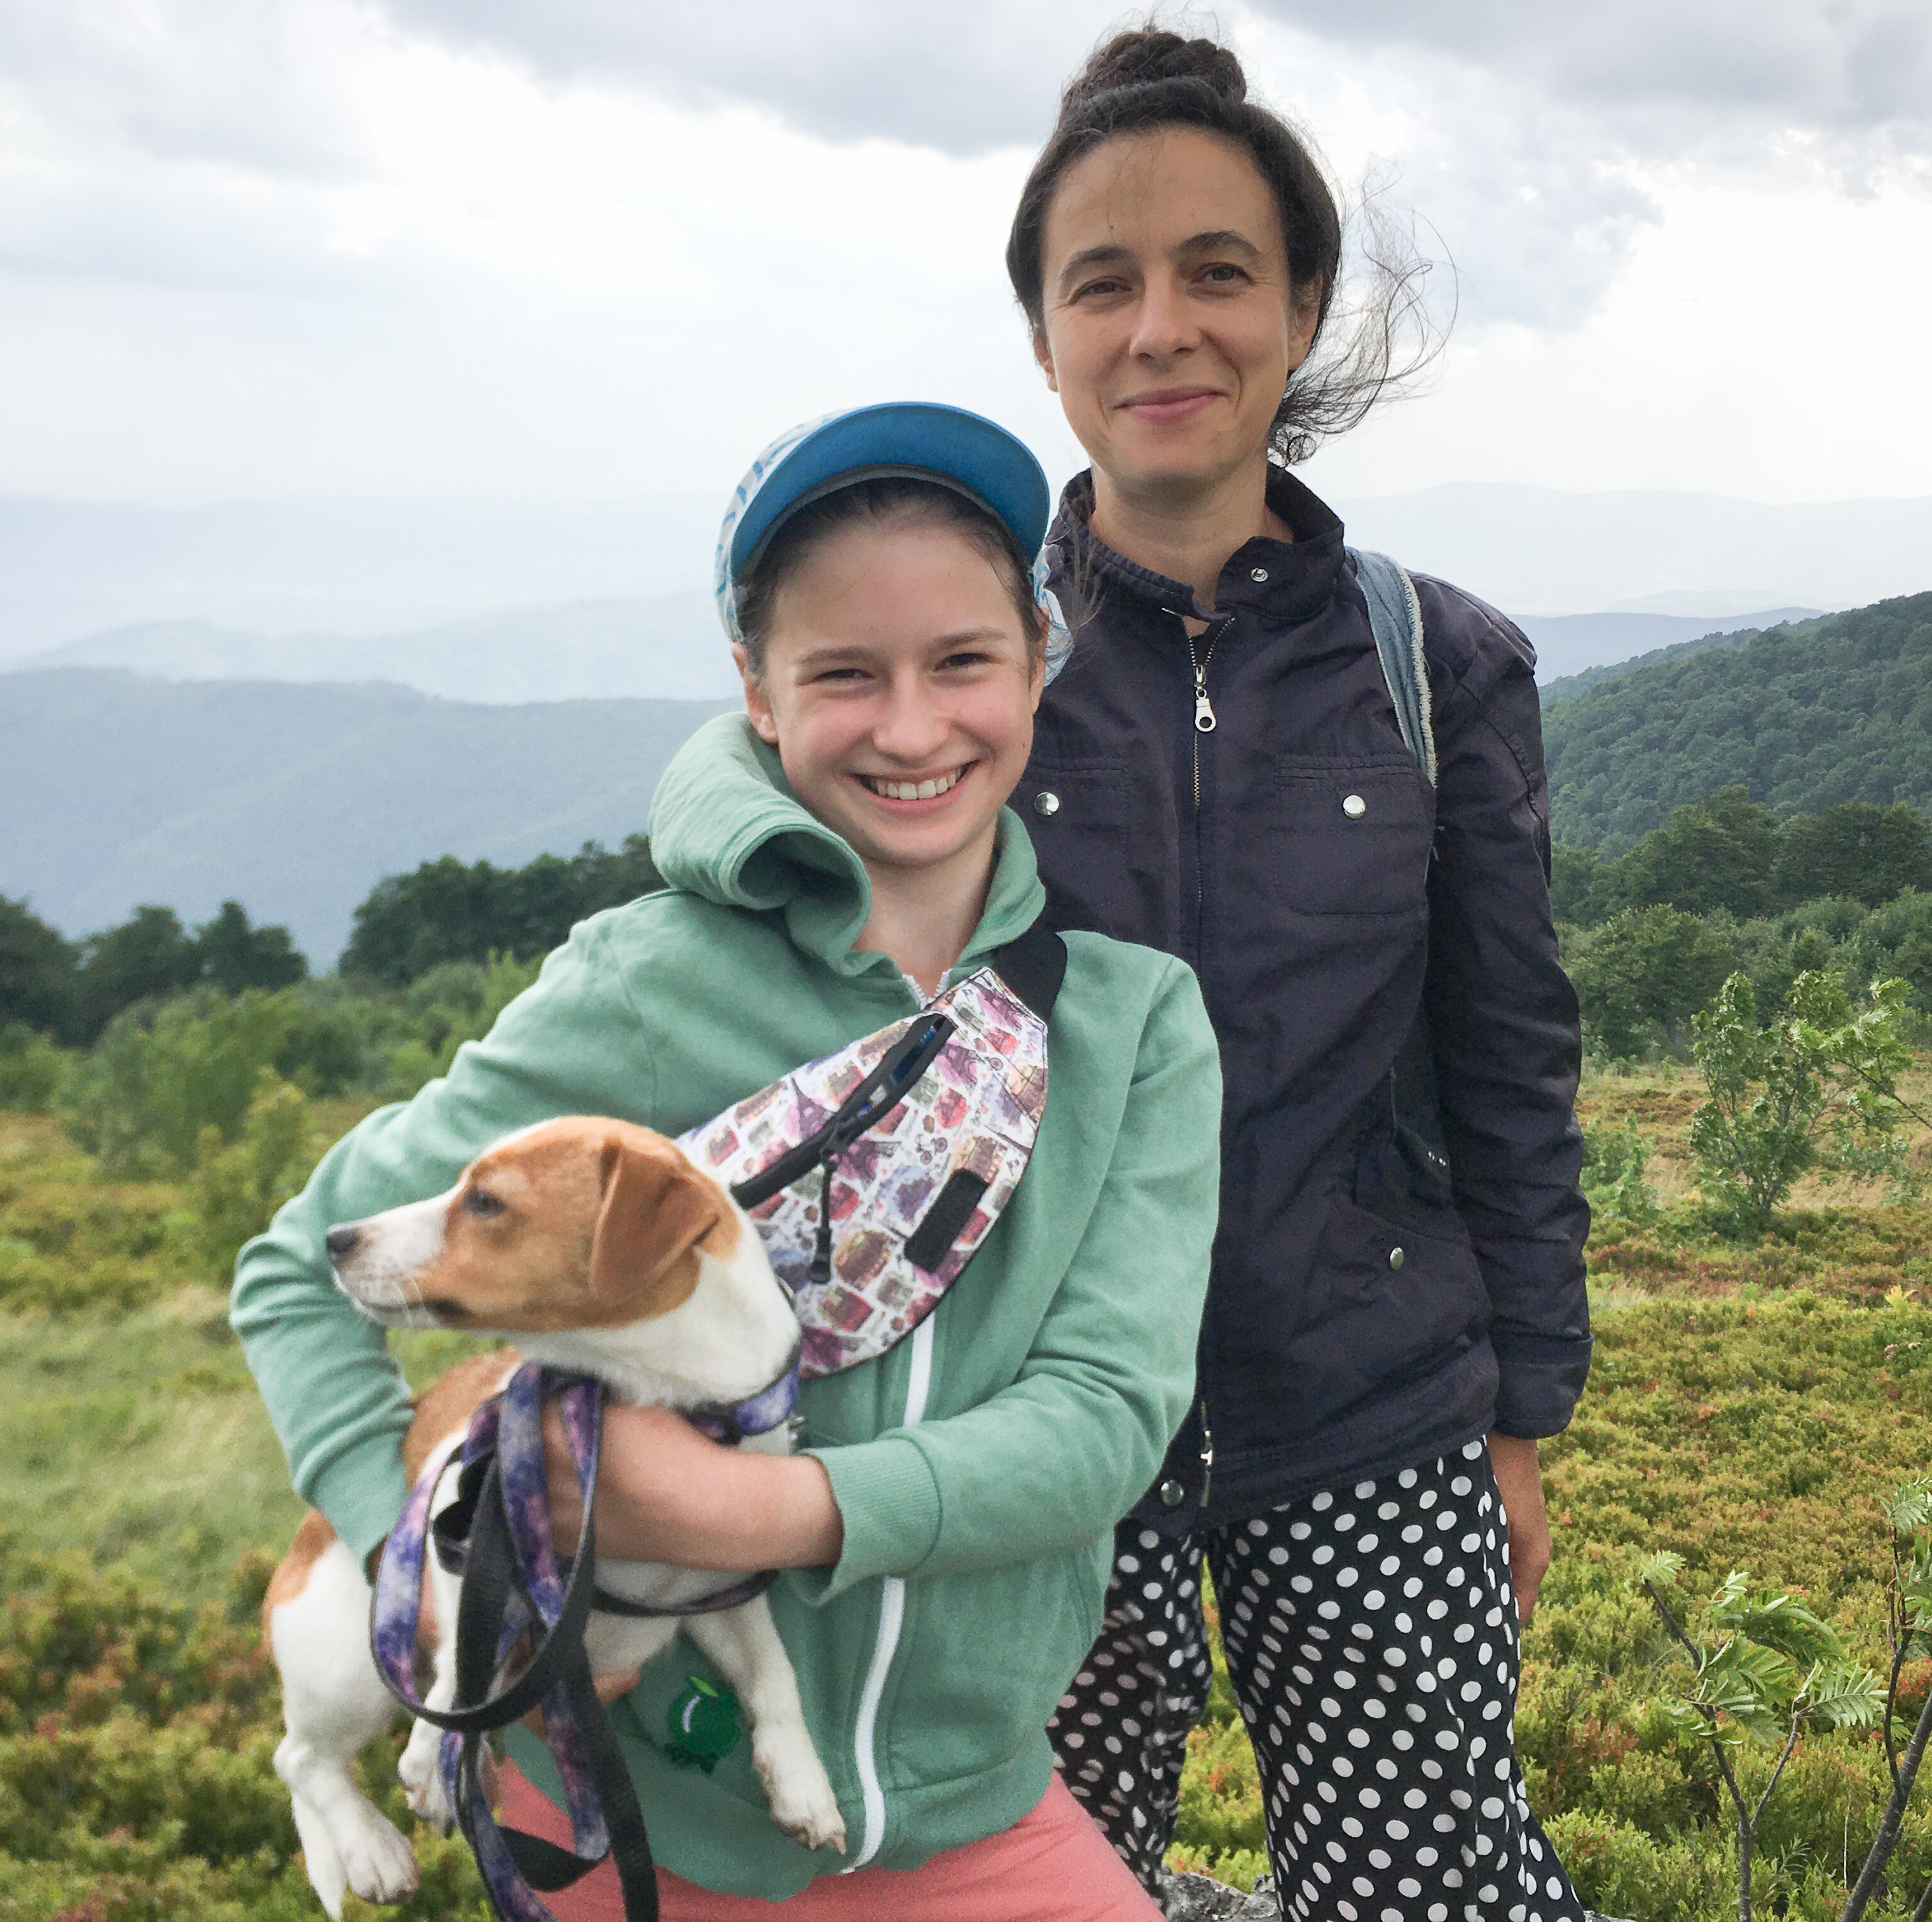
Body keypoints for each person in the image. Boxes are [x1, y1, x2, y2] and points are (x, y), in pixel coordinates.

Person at [231, 402, 1224, 1920]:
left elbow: (1104, 1420)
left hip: (980, 1814)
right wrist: (426, 1579)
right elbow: (302, 1271)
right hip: (630, 1823)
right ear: (757, 694)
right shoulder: (643, 984)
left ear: (1039, 660)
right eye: (843, 674)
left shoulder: (1130, 1025)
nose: (909, 727)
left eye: (962, 660)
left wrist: (732, 1516)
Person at [1002, 31, 1594, 1922]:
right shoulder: (967, 668)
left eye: (1218, 271)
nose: (1162, 324)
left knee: (1429, 1896)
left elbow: (1509, 1058)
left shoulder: (1437, 662)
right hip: (1037, 1439)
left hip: (1371, 1408)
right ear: (1045, 337)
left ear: (1304, 309)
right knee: (1027, 1892)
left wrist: (1521, 1424)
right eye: (1106, 281)